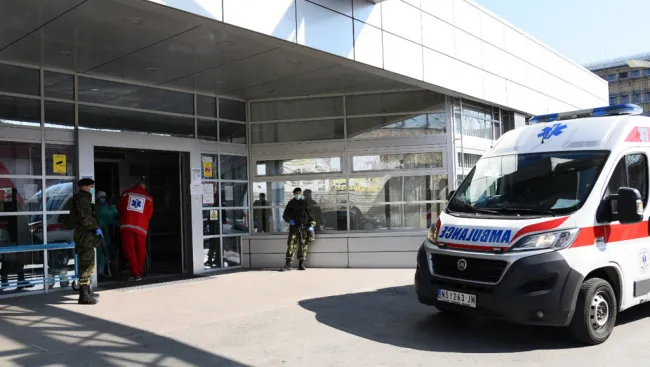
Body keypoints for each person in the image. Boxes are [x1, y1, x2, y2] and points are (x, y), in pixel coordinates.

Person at [69, 178, 101, 305]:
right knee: (86, 265)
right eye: (90, 187)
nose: (91, 189)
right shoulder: (82, 199)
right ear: (83, 187)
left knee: (89, 264)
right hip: (84, 236)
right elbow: (85, 218)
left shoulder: (84, 199)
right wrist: (96, 227)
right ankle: (84, 295)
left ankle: (88, 290)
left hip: (86, 236)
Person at [118, 178, 154, 281]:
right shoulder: (149, 198)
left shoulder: (126, 194)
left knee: (130, 251)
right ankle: (140, 272)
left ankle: (135, 274)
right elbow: (149, 215)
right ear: (144, 187)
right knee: (141, 251)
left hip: (127, 227)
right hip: (141, 228)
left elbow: (120, 208)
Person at [281, 187, 315, 272]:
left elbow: (311, 216)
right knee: (291, 245)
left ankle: (301, 264)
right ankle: (288, 264)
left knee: (303, 246)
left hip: (304, 228)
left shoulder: (305, 203)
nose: (298, 194)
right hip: (294, 228)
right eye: (297, 193)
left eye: (299, 193)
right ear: (294, 194)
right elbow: (285, 215)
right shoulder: (291, 203)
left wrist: (311, 225)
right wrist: (289, 220)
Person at [96, 191, 119, 277]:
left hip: (103, 233)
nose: (103, 199)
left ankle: (99, 270)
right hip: (100, 233)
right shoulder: (103, 209)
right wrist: (113, 208)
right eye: (101, 197)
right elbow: (113, 218)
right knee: (102, 252)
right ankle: (100, 270)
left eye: (104, 197)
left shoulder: (101, 207)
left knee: (102, 252)